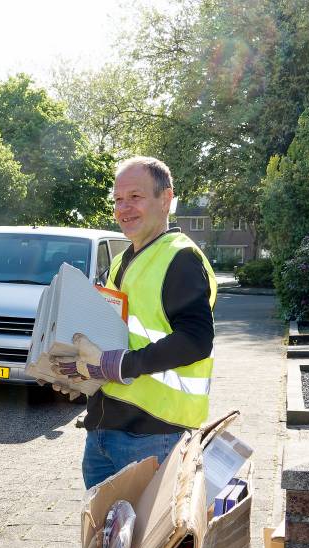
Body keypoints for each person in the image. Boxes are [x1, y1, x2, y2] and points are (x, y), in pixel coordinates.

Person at [55, 156, 217, 489]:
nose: (124, 208)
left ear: (166, 199)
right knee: (102, 541)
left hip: (153, 437)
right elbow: (111, 338)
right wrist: (78, 375)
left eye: (135, 197)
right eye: (117, 200)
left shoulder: (180, 258)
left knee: (148, 542)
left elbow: (197, 339)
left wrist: (121, 365)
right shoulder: (120, 262)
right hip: (103, 431)